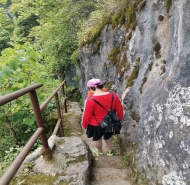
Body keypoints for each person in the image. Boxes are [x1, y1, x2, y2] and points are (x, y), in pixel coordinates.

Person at [81, 78, 124, 156]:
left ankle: (100, 152)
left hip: (95, 123)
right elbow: (120, 109)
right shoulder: (113, 95)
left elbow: (86, 115)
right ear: (101, 86)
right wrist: (119, 119)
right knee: (108, 136)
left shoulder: (90, 100)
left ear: (90, 88)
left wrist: (84, 125)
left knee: (96, 138)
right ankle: (110, 151)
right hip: (109, 122)